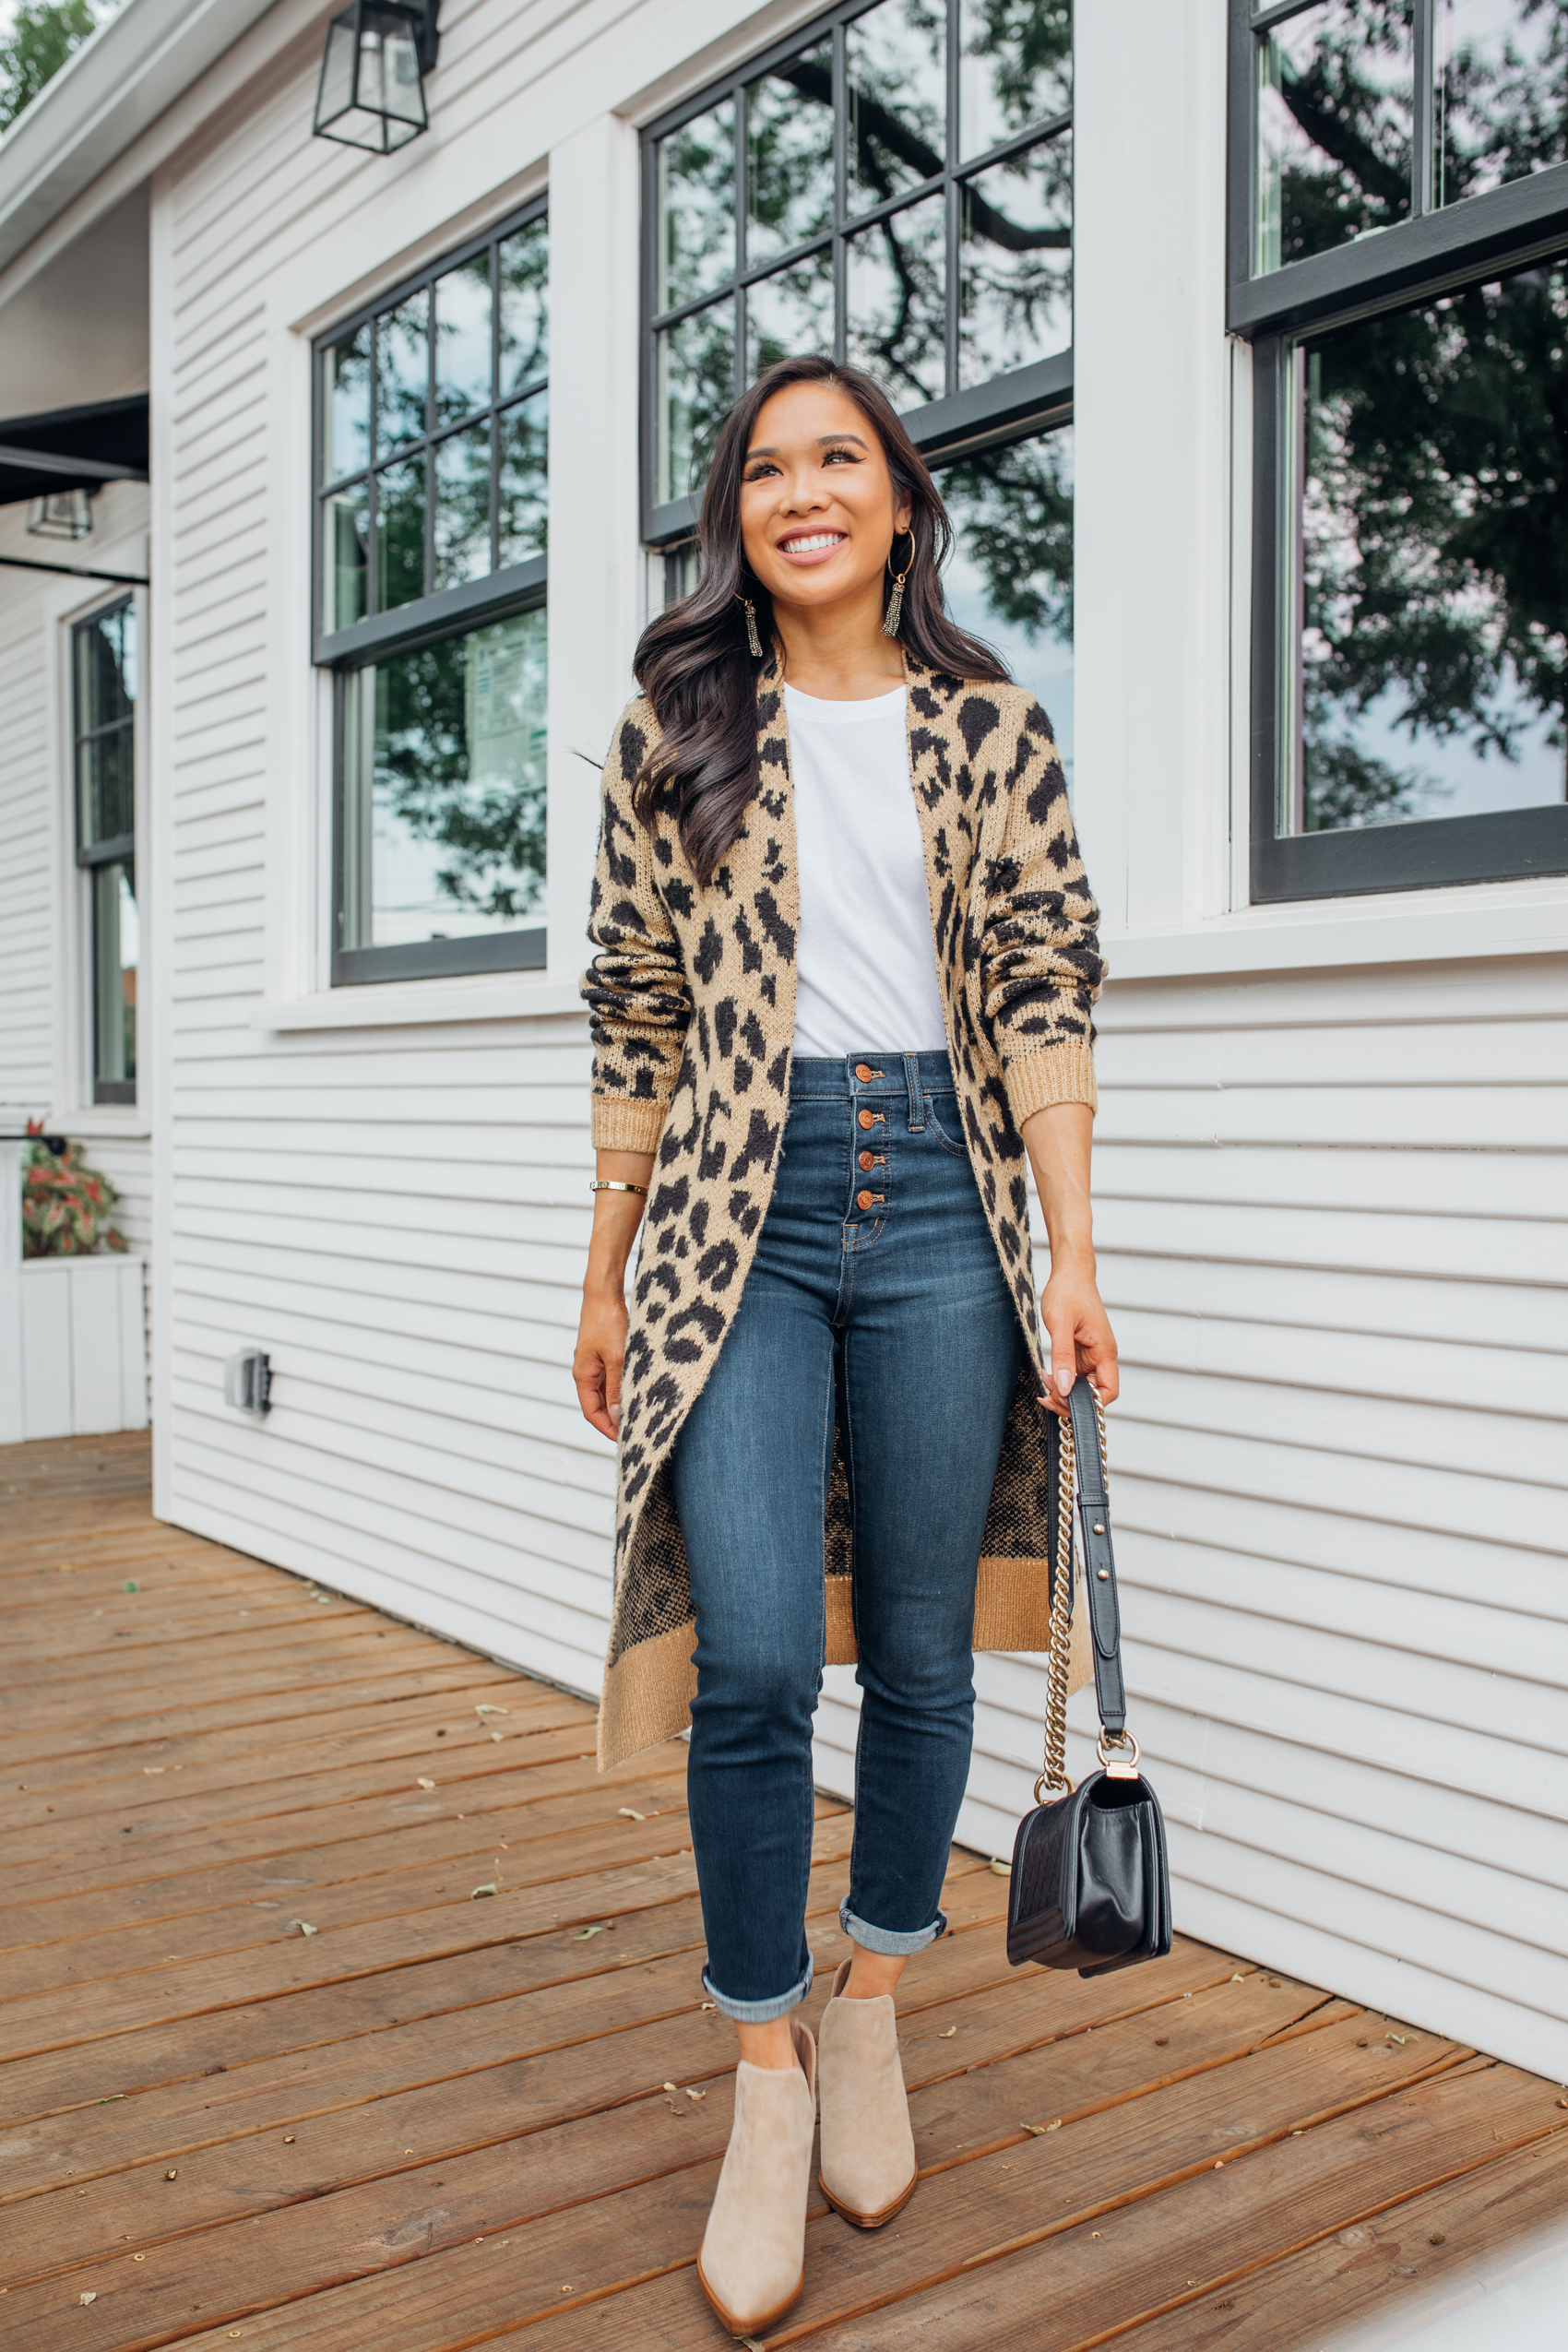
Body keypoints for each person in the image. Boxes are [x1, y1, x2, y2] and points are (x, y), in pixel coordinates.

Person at [573, 353, 1117, 2338]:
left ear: (899, 500)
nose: (800, 491)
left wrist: (1069, 1252)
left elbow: (1049, 974)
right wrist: (605, 1259)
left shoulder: (989, 725)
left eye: (840, 460)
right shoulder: (678, 728)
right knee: (750, 1654)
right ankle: (764, 2063)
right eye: (766, 467)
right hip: (743, 1207)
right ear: (739, 513)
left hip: (944, 1213)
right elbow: (632, 1001)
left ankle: (874, 1998)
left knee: (912, 1644)